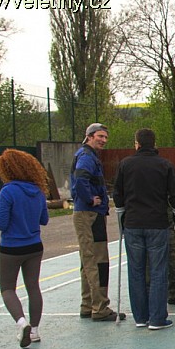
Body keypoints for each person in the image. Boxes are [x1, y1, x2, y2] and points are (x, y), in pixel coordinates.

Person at [113, 128, 175, 330]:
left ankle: (140, 317)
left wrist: (123, 215)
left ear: (137, 144)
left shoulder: (125, 164)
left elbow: (117, 194)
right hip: (157, 223)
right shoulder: (165, 165)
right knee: (158, 270)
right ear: (154, 144)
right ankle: (157, 318)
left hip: (133, 224)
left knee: (136, 270)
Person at [0, 149, 50, 348]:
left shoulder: (8, 191)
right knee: (33, 287)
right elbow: (44, 219)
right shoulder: (38, 191)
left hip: (11, 247)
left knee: (7, 288)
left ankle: (21, 322)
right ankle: (35, 330)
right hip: (34, 246)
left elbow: (2, 224)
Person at [70, 122, 123, 321]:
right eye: (100, 136)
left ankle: (88, 304)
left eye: (105, 137)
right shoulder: (86, 157)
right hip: (88, 214)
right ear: (89, 136)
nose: (103, 140)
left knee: (88, 259)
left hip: (93, 213)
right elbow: (80, 180)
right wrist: (90, 199)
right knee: (96, 260)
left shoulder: (89, 156)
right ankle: (100, 308)